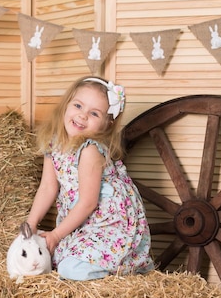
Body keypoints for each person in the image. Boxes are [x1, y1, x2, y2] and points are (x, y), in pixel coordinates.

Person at [26, 76, 155, 280]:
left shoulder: (90, 151)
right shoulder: (54, 143)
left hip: (108, 225)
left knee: (69, 269)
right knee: (47, 260)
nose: (82, 116)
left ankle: (122, 269)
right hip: (82, 223)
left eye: (94, 113)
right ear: (66, 104)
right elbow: (48, 187)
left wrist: (57, 235)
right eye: (78, 105)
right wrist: (31, 223)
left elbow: (88, 203)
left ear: (106, 124)